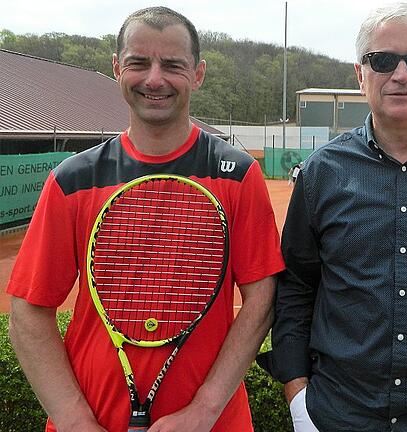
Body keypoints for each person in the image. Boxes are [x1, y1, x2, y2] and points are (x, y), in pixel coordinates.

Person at [6, 7, 284, 431]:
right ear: (118, 69)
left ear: (198, 74)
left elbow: (262, 300)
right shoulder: (72, 180)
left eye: (172, 64)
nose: (154, 79)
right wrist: (76, 421)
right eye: (139, 62)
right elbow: (28, 311)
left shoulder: (238, 174)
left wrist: (203, 411)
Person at [257, 2, 407, 431]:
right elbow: (296, 287)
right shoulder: (322, 171)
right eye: (384, 60)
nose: (402, 73)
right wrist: (298, 397)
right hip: (336, 415)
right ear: (361, 74)